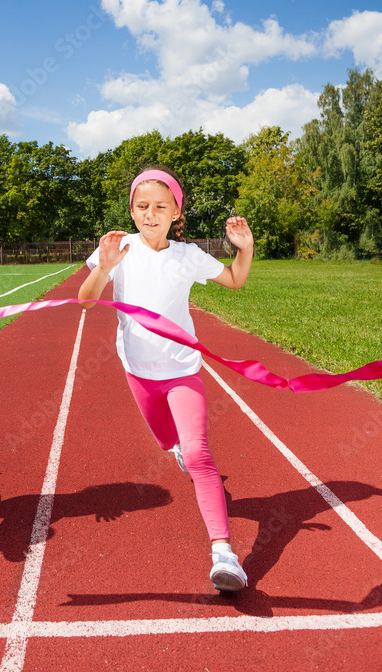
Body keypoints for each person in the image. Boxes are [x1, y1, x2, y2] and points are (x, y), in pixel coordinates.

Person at [78, 166, 254, 592]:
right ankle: (175, 448)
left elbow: (233, 280)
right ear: (132, 210)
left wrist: (244, 249)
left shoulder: (187, 255)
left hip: (182, 370)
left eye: (160, 207)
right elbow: (85, 301)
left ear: (177, 211)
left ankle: (224, 554)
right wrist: (104, 267)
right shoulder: (118, 249)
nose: (150, 214)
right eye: (142, 206)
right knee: (167, 442)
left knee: (199, 455)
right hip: (138, 371)